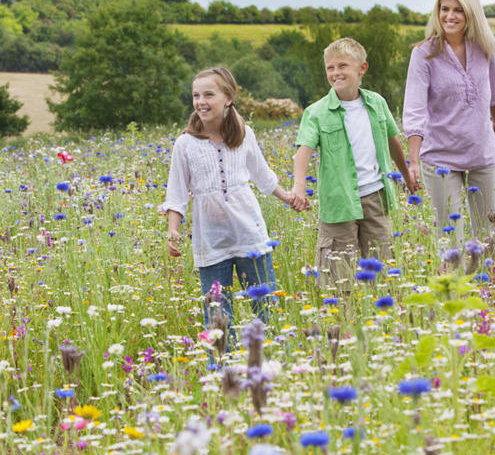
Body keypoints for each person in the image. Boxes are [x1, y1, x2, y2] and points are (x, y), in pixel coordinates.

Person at [162, 67, 292, 334]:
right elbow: (175, 194)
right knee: (218, 318)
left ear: (228, 98)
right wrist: (172, 230)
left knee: (267, 309)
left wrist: (288, 197)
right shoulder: (185, 145)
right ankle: (222, 372)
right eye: (196, 95)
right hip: (210, 241)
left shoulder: (245, 135)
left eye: (209, 94)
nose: (201, 102)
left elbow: (264, 177)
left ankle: (274, 364)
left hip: (249, 235)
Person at [291, 37, 416, 285]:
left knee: (383, 274)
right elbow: (303, 150)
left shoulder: (377, 103)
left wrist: (406, 173)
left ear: (362, 69)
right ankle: (342, 321)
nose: (336, 72)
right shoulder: (316, 112)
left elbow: (393, 141)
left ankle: (381, 320)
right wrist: (299, 186)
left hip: (375, 197)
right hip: (338, 202)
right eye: (330, 67)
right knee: (338, 278)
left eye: (342, 66)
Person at [403, 0, 495, 246]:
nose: (450, 16)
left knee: (488, 237)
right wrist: (413, 161)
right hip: (441, 158)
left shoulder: (485, 48)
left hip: (482, 153)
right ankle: (455, 288)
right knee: (452, 242)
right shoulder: (423, 54)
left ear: (470, 13)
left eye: (458, 10)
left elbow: (494, 93)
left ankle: (490, 287)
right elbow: (415, 111)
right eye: (444, 9)